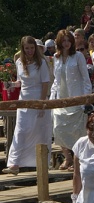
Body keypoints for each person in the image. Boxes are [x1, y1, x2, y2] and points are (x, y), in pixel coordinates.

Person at [3, 36, 51, 175]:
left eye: (32, 48)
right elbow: (20, 82)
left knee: (40, 132)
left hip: (38, 98)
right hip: (24, 99)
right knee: (21, 130)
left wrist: (42, 104)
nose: (29, 51)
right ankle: (15, 163)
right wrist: (10, 85)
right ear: (23, 49)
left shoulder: (41, 62)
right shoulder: (19, 62)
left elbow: (45, 83)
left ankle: (42, 164)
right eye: (27, 48)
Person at [50, 30, 91, 171]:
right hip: (61, 98)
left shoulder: (78, 56)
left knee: (78, 131)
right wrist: (52, 98)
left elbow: (86, 79)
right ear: (59, 42)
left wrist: (86, 98)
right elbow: (56, 80)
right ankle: (67, 157)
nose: (66, 43)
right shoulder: (56, 58)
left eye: (68, 40)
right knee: (58, 127)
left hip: (77, 98)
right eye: (63, 41)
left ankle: (77, 160)